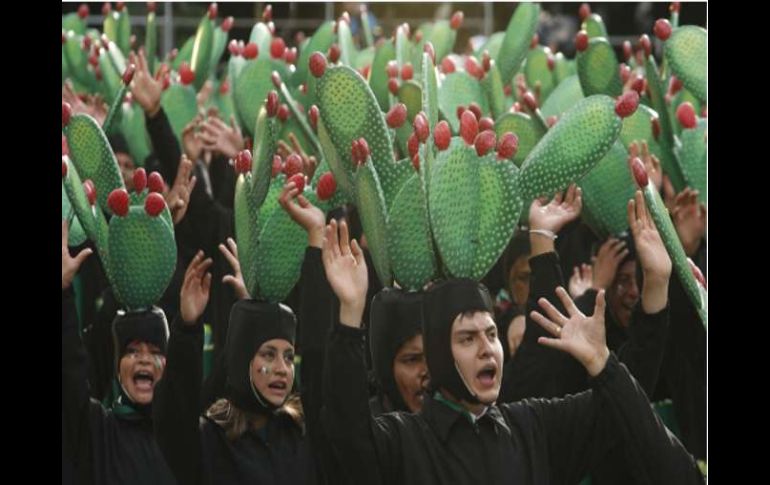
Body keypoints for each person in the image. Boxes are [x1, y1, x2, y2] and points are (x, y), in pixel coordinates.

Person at [317, 212, 703, 485]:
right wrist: (350, 314)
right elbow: (347, 436)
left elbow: (623, 406)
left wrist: (654, 289)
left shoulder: (531, 427)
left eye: (490, 334)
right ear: (438, 354)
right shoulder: (404, 441)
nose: (487, 349)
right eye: (467, 339)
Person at [62, 222, 176, 485]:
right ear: (117, 367)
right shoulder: (98, 432)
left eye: (155, 350)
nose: (144, 358)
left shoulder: (186, 438)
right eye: (132, 351)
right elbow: (70, 373)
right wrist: (64, 295)